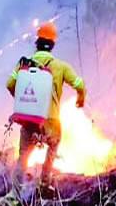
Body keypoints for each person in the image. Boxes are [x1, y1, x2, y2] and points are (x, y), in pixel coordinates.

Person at [6, 22, 87, 186]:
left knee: (23, 156)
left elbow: (9, 84)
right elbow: (80, 85)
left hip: (30, 120)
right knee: (53, 147)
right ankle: (45, 181)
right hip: (51, 122)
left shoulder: (24, 64)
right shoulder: (61, 66)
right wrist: (80, 99)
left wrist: (22, 99)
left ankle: (15, 194)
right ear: (52, 45)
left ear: (37, 43)